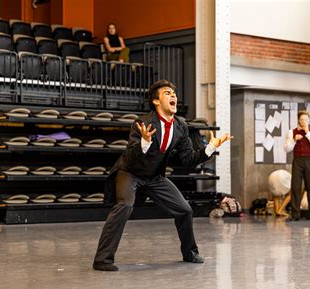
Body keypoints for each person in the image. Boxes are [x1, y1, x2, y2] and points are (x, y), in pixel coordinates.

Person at [93, 80, 233, 271]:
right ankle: (103, 259)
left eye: (174, 93)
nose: (173, 96)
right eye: (167, 93)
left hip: (154, 176)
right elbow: (131, 156)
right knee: (124, 205)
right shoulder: (142, 123)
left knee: (184, 210)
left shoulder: (180, 126)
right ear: (156, 101)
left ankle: (190, 252)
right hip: (130, 172)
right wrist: (144, 142)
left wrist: (210, 147)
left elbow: (188, 159)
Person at [284, 110, 310, 221]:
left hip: (308, 161)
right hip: (297, 161)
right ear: (298, 120)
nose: (303, 121)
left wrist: (307, 132)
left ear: (308, 120)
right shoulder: (292, 132)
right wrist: (294, 140)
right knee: (295, 187)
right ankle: (295, 214)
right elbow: (286, 148)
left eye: (305, 119)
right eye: (301, 119)